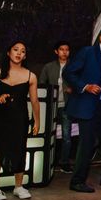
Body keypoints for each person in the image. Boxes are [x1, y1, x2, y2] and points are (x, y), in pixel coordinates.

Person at [63, 26, 101, 193]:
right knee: (87, 143)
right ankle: (77, 181)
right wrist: (85, 86)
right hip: (88, 106)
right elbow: (68, 73)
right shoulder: (87, 52)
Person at [0, 41, 40, 200]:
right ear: (8, 53)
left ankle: (19, 186)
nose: (19, 53)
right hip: (1, 118)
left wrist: (37, 122)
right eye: (16, 50)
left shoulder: (31, 76)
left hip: (20, 118)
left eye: (23, 51)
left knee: (20, 150)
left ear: (25, 56)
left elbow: (35, 101)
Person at [40, 41, 73, 173]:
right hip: (51, 105)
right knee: (49, 134)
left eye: (67, 49)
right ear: (56, 51)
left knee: (66, 136)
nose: (64, 52)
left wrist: (73, 89)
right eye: (61, 49)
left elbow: (81, 83)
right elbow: (41, 83)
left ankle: (64, 163)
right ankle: (47, 161)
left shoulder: (73, 66)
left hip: (66, 105)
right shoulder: (48, 67)